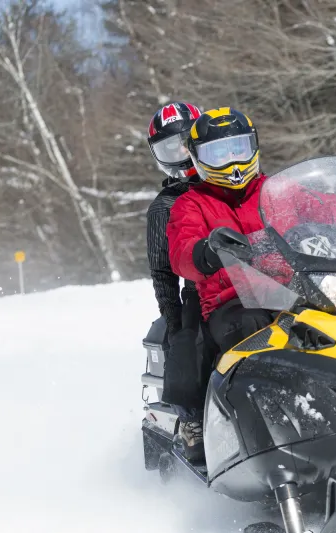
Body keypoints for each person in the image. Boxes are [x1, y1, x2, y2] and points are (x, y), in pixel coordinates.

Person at [167, 108, 336, 356]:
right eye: (218, 154)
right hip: (232, 302)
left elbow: (322, 206)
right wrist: (207, 251)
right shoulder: (192, 203)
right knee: (253, 326)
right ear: (199, 158)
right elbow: (181, 254)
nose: (232, 161)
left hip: (294, 289)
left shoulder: (277, 190)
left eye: (238, 149)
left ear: (253, 147)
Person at [145, 101, 213, 462]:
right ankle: (193, 420)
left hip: (256, 281)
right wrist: (174, 326)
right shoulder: (165, 205)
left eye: (187, 142)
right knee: (190, 338)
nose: (182, 154)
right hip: (198, 291)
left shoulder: (229, 183)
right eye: (171, 148)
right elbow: (162, 272)